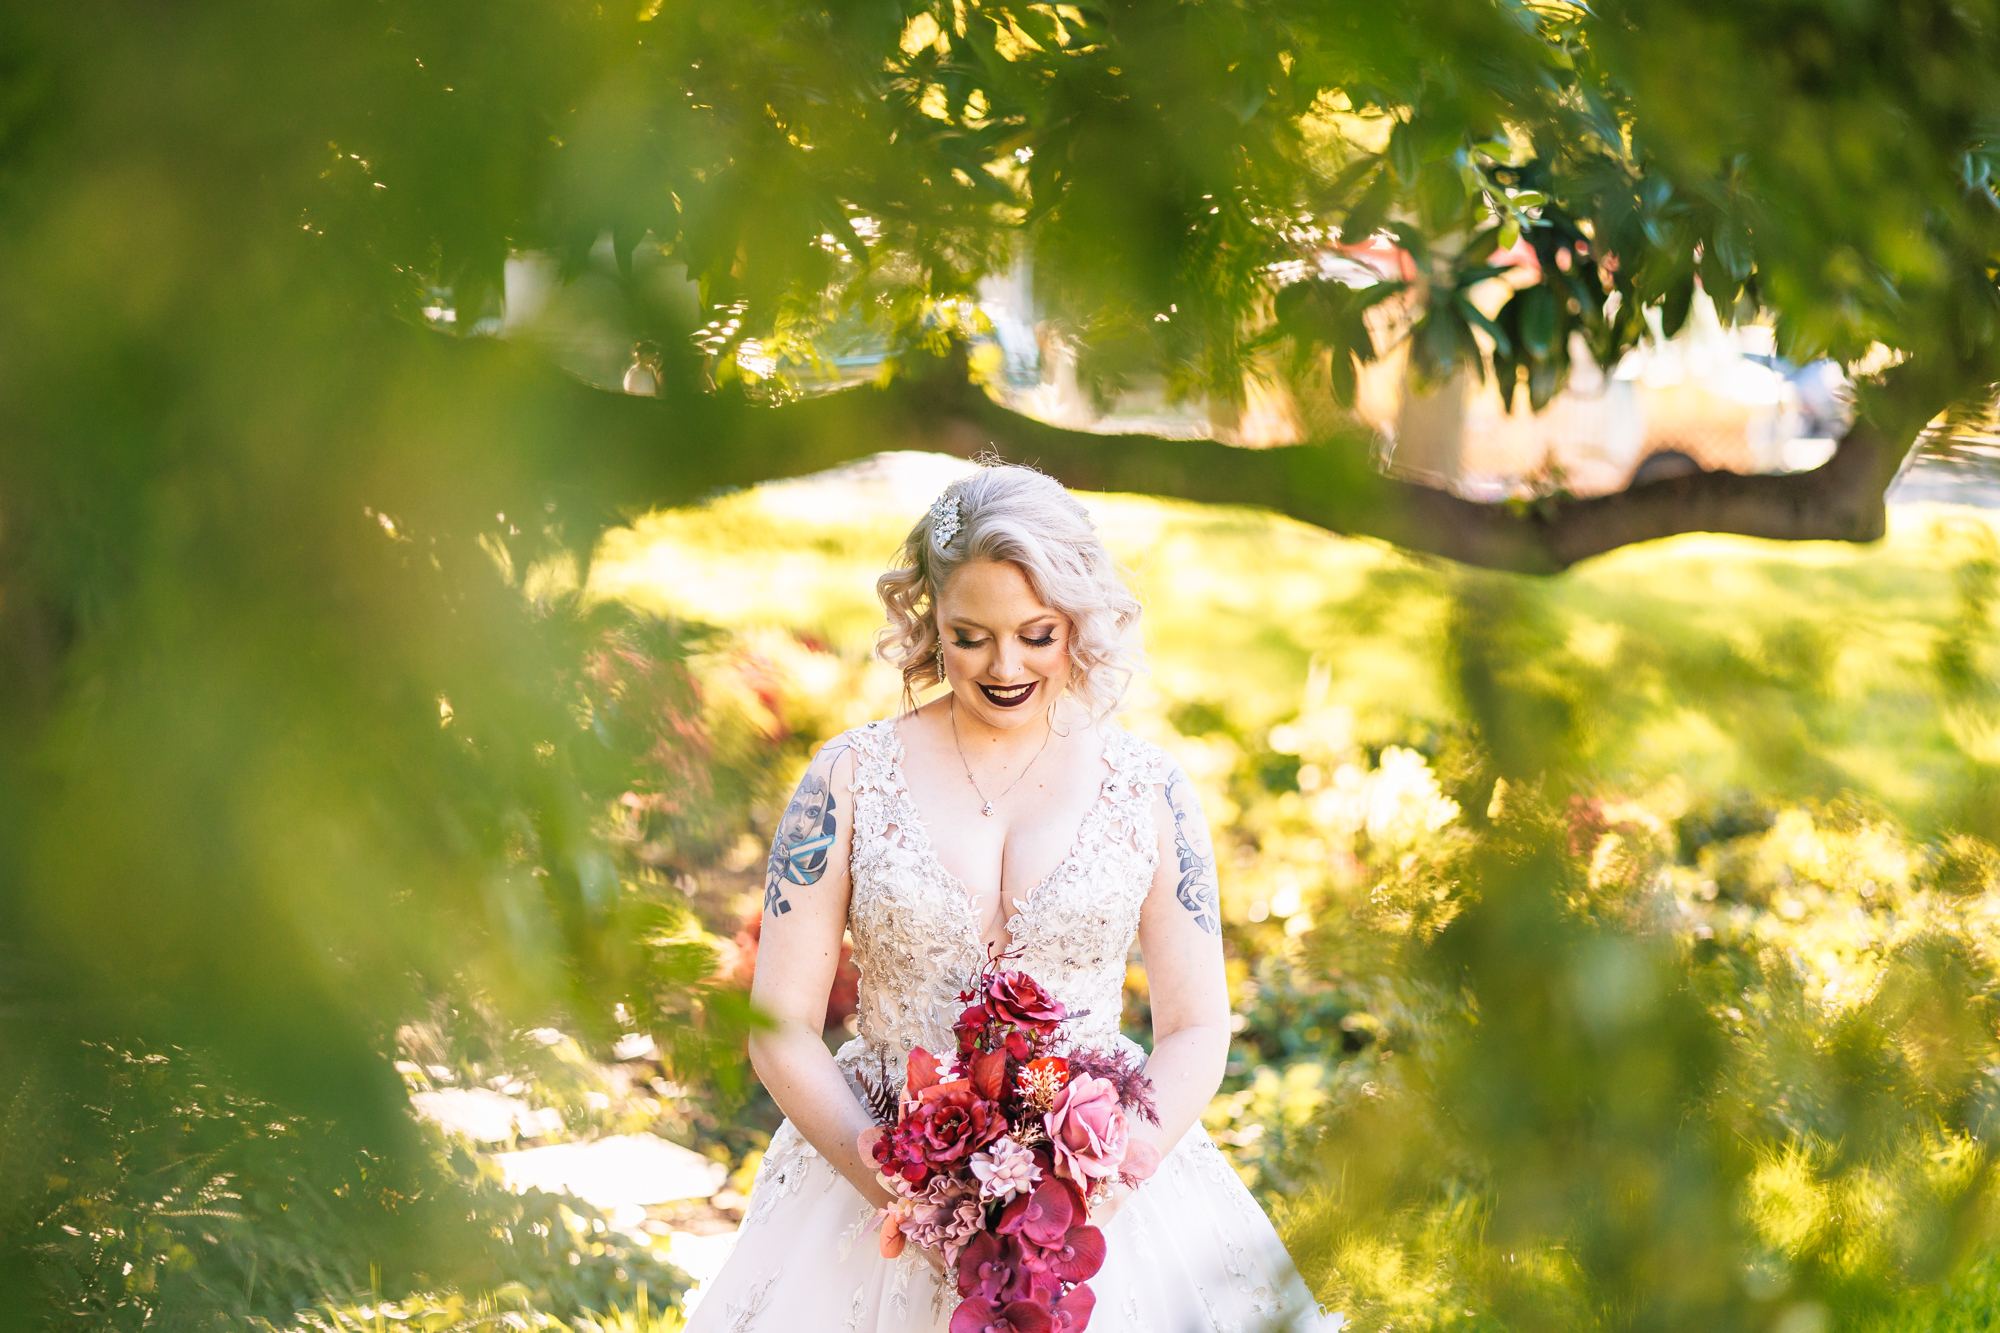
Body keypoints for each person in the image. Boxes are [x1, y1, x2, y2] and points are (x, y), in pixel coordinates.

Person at [686, 463, 1336, 1331]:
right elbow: (781, 1024)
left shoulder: (1149, 789)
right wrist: (899, 1183)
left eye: (1037, 634)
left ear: (1078, 620)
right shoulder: (846, 780)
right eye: (969, 635)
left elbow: (1195, 1026)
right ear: (928, 621)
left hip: (1096, 1189)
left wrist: (1106, 1179)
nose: (1003, 666)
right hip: (877, 1174)